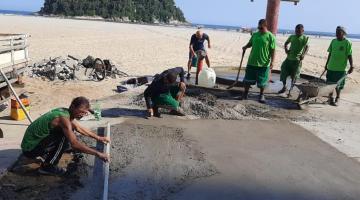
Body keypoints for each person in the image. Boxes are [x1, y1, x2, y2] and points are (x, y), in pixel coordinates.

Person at [21, 97, 110, 176]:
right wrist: (97, 154)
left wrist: (99, 138)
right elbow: (75, 144)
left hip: (31, 144)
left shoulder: (65, 112)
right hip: (30, 150)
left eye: (84, 113)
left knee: (69, 132)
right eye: (80, 111)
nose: (81, 115)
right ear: (73, 107)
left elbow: (79, 128)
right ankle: (47, 167)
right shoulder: (63, 119)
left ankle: (47, 153)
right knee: (65, 135)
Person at [242, 19, 276, 103]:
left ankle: (261, 95)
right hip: (252, 61)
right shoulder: (255, 35)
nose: (259, 29)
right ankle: (245, 94)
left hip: (264, 63)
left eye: (261, 28)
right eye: (258, 27)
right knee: (247, 79)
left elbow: (273, 50)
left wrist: (272, 62)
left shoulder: (270, 36)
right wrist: (245, 46)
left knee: (262, 82)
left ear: (265, 26)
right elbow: (250, 43)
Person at [325, 26, 354, 106]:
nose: (337, 33)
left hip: (340, 68)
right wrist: (326, 64)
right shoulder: (333, 41)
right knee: (329, 84)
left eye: (339, 32)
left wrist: (351, 66)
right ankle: (330, 98)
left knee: (338, 85)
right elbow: (330, 53)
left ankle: (337, 98)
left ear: (343, 33)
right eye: (336, 32)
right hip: (331, 67)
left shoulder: (347, 42)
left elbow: (349, 55)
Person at [278, 24, 309, 94]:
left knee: (294, 76)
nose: (297, 32)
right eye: (296, 31)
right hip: (288, 59)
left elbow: (307, 47)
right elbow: (286, 43)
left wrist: (303, 55)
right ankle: (284, 87)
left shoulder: (304, 38)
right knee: (283, 71)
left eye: (299, 31)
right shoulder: (292, 36)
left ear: (303, 31)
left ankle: (290, 90)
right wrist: (286, 50)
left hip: (297, 61)